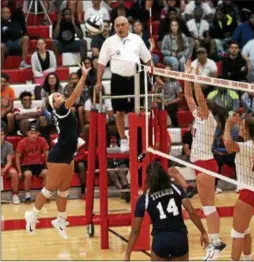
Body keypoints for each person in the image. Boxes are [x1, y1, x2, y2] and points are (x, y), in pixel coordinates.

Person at [24, 63, 91, 239]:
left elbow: (73, 95)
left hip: (69, 154)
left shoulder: (62, 111)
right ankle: (33, 215)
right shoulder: (61, 110)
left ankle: (60, 220)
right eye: (57, 96)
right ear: (55, 104)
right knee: (49, 189)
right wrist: (83, 76)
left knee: (64, 190)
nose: (60, 95)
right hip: (58, 155)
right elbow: (76, 94)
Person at [183, 61, 226, 260]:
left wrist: (194, 78)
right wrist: (186, 74)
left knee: (208, 206)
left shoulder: (209, 120)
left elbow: (198, 97)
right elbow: (188, 96)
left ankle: (215, 245)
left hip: (206, 164)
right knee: (208, 206)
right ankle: (216, 242)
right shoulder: (198, 117)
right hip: (201, 164)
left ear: (206, 109)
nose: (198, 108)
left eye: (201, 107)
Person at [124, 162, 209, 261]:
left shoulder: (145, 199)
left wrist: (127, 254)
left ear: (148, 178)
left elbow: (135, 230)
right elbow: (191, 212)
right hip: (179, 239)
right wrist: (203, 232)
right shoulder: (177, 188)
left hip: (161, 241)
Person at [95, 16, 152, 152]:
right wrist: (98, 82)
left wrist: (153, 78)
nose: (120, 28)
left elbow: (148, 59)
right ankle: (123, 139)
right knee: (119, 112)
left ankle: (138, 138)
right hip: (118, 79)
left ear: (128, 26)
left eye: (122, 25)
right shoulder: (109, 42)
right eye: (117, 25)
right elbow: (101, 64)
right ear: (114, 27)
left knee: (139, 110)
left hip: (136, 79)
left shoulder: (137, 39)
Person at [223, 115, 254, 261]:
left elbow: (227, 143)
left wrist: (227, 124)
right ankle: (248, 259)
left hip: (247, 193)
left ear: (246, 130)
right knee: (244, 230)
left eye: (242, 125)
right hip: (253, 192)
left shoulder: (247, 146)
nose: (239, 127)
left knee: (237, 233)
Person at [16, 124, 49, 202]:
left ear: (38, 133)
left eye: (35, 133)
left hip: (38, 164)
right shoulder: (22, 142)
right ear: (27, 133)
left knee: (46, 172)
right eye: (31, 133)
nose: (33, 135)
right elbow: (17, 157)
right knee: (28, 174)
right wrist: (19, 171)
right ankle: (27, 195)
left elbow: (47, 154)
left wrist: (48, 166)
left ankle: (43, 195)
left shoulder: (42, 140)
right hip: (27, 164)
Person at [1, 127, 20, 204]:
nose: (0, 136)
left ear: (4, 135)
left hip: (5, 165)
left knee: (14, 173)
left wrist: (4, 170)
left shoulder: (9, 145)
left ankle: (15, 195)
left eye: (1, 134)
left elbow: (9, 162)